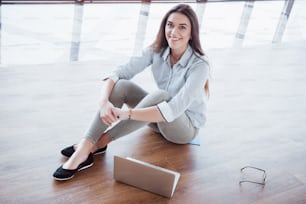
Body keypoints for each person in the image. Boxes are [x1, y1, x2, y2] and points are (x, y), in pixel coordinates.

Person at [53, 4, 210, 181]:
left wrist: (126, 114)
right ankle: (86, 145)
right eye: (170, 24)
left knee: (161, 97)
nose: (174, 32)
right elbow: (117, 73)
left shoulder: (200, 65)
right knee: (122, 85)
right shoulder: (157, 50)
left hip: (183, 129)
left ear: (192, 33)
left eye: (182, 27)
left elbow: (173, 108)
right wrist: (104, 102)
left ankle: (98, 144)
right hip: (157, 119)